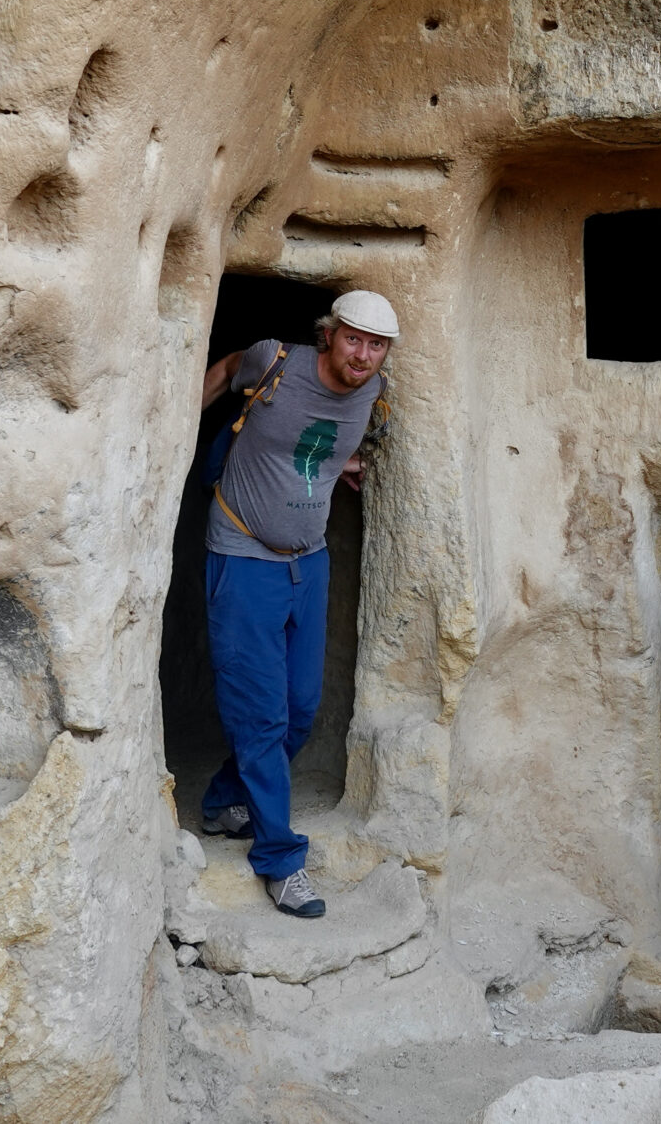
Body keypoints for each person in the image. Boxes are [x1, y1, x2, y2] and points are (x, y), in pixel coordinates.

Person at [195, 287, 397, 918]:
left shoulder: (372, 392)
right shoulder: (275, 361)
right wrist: (170, 427)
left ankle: (223, 801)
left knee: (301, 709)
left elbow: (316, 446)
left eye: (376, 344)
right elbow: (229, 369)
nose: (362, 354)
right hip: (244, 556)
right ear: (329, 335)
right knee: (262, 719)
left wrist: (341, 466)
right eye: (353, 338)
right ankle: (281, 862)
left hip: (308, 563)